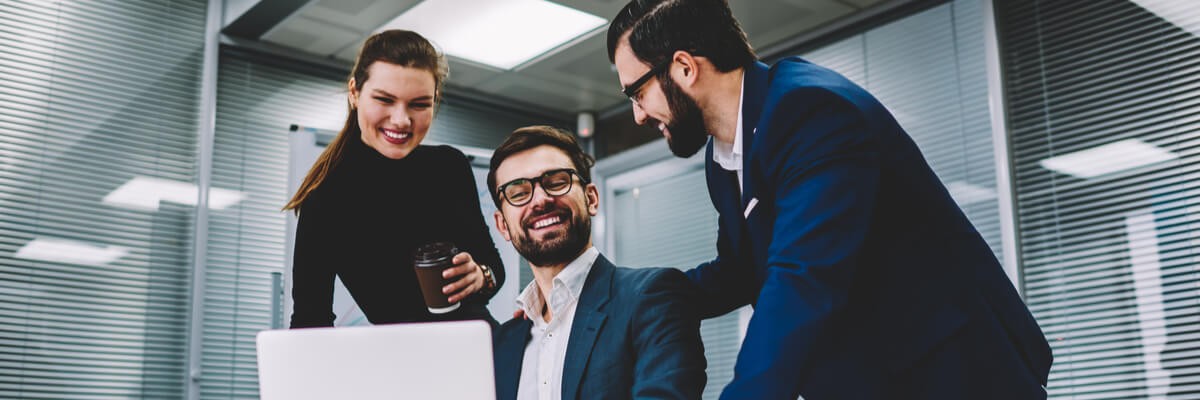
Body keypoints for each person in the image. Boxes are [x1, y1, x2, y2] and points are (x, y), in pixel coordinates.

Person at [606, 1, 1053, 398]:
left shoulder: (808, 110)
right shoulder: (724, 156)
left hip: (953, 377)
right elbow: (741, 271)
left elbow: (801, 280)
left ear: (685, 67)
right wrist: (628, 300)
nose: (638, 115)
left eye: (637, 93)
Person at [284, 30, 504, 328]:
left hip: (480, 344)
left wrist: (481, 275)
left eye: (419, 104)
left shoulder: (448, 166)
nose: (401, 120)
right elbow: (310, 319)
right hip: (402, 352)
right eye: (384, 100)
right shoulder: (326, 196)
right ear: (354, 92)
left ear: (435, 100)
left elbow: (493, 266)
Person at [487, 126, 705, 400]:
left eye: (557, 182)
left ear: (591, 198)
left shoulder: (651, 298)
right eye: (518, 193)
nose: (540, 200)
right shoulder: (502, 343)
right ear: (502, 225)